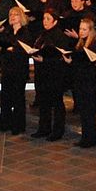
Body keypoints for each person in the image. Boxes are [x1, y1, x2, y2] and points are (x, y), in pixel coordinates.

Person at [30, 8, 71, 141]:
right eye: (44, 18)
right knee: (43, 102)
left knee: (57, 103)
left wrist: (44, 59)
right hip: (42, 73)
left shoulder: (59, 36)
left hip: (55, 74)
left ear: (55, 21)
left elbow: (60, 57)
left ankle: (58, 131)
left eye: (48, 19)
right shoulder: (42, 34)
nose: (45, 21)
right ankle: (44, 128)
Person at [65, 17, 96, 148]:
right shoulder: (80, 43)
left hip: (89, 81)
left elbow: (90, 62)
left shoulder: (94, 44)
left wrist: (74, 61)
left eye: (84, 29)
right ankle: (85, 137)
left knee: (89, 111)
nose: (81, 31)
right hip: (80, 80)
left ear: (91, 30)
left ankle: (90, 138)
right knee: (83, 111)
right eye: (80, 29)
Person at [0, 6, 32, 134]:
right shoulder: (7, 31)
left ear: (21, 17)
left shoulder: (25, 32)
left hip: (19, 69)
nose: (12, 17)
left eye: (15, 14)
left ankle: (18, 126)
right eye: (11, 14)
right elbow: (3, 46)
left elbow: (26, 49)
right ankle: (5, 123)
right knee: (5, 97)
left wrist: (14, 49)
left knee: (18, 98)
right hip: (7, 68)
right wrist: (0, 48)